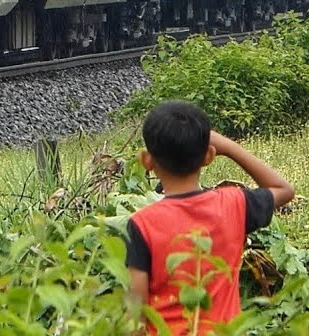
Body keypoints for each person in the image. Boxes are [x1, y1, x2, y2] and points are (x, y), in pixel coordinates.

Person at [125, 101, 296, 335]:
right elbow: (284, 190)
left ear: (147, 160)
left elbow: (136, 313)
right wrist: (230, 147)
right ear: (209, 155)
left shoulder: (142, 224)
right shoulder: (235, 204)